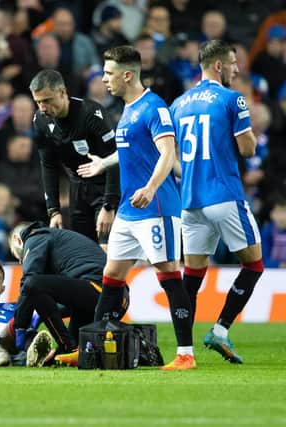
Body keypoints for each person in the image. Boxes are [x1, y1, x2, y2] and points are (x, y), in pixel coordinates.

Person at [90, 45, 195, 371]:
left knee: (167, 274)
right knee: (111, 275)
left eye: (108, 74)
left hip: (156, 205)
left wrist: (150, 188)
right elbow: (131, 151)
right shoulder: (129, 109)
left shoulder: (154, 108)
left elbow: (167, 154)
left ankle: (185, 354)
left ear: (127, 74)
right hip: (129, 208)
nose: (104, 79)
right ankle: (91, 348)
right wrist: (102, 164)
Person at [169, 40, 263, 364]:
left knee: (191, 278)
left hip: (190, 200)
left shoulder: (178, 104)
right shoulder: (231, 99)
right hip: (224, 195)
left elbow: (169, 156)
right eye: (234, 63)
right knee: (254, 265)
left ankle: (184, 352)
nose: (238, 69)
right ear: (219, 66)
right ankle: (220, 330)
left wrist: (192, 172)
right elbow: (248, 150)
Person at [8, 221, 129, 367]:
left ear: (17, 240)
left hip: (102, 292)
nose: (22, 262)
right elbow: (61, 298)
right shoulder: (58, 244)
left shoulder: (35, 237)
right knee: (63, 357)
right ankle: (66, 348)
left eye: (20, 258)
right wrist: (40, 313)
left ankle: (67, 345)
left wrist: (20, 324)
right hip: (111, 297)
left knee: (33, 284)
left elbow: (30, 282)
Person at [30, 69, 119, 248]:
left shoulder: (92, 114)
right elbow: (48, 165)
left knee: (107, 250)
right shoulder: (40, 120)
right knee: (84, 253)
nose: (43, 108)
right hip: (77, 191)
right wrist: (53, 210)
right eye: (38, 102)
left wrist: (109, 205)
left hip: (105, 187)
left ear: (62, 92)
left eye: (47, 100)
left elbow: (116, 158)